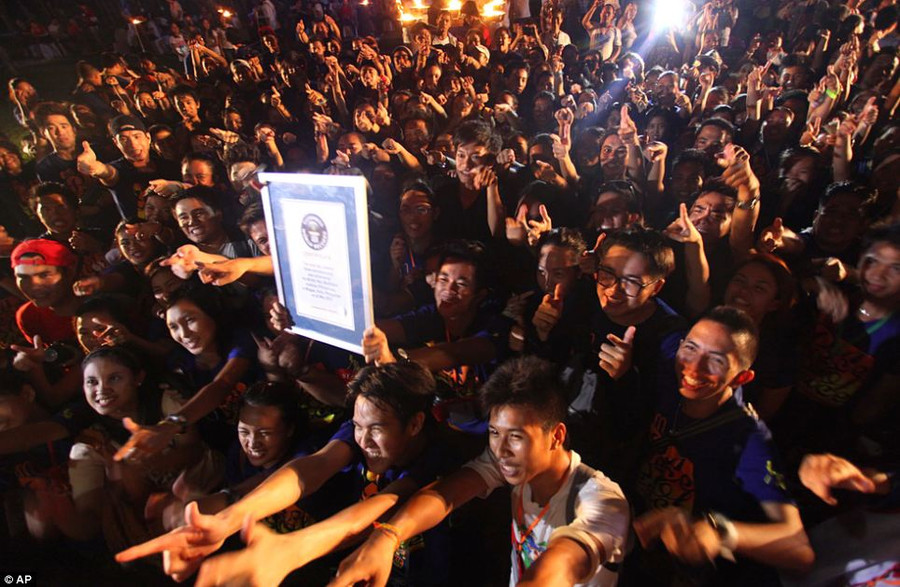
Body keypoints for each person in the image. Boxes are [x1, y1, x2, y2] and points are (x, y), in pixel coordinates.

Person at [115, 361, 449, 585]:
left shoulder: (437, 458)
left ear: (415, 424)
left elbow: (376, 508)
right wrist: (228, 519)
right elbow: (311, 469)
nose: (363, 439)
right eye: (359, 426)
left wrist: (290, 550)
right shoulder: (357, 432)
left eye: (376, 428)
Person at [330, 356, 630, 587]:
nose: (501, 449)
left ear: (556, 436)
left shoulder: (602, 500)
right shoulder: (514, 466)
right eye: (495, 433)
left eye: (516, 436)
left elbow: (563, 562)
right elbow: (445, 495)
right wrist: (387, 538)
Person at [632, 306, 815, 584]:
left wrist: (720, 533)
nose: (693, 367)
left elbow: (800, 550)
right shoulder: (674, 369)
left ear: (741, 378)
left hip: (684, 569)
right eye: (691, 348)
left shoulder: (748, 441)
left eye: (716, 361)